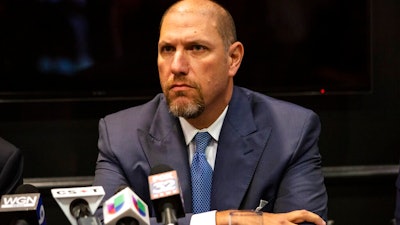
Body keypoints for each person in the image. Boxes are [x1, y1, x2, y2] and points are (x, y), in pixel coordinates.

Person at [93, 0, 328, 225]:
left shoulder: (291, 132)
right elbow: (105, 223)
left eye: (196, 48)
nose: (176, 66)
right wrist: (224, 220)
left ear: (233, 58)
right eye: (167, 49)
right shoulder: (121, 137)